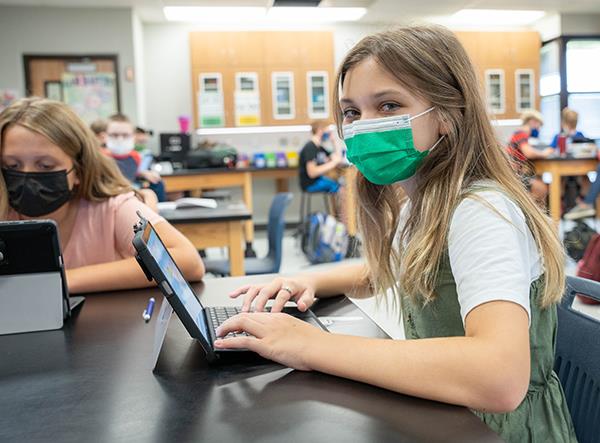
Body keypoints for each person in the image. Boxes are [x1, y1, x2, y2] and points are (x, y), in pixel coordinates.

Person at [214, 26, 576, 442]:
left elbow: (500, 377)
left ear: (446, 114)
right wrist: (308, 279)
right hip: (449, 413)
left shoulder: (479, 212)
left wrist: (310, 346)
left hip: (495, 430)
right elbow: (393, 271)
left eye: (388, 105)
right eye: (351, 112)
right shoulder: (424, 200)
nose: (365, 125)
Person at [0, 98, 204, 293]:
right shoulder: (4, 212)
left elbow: (188, 262)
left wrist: (60, 281)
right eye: (12, 166)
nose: (27, 176)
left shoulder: (112, 208)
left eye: (45, 165)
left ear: (78, 169)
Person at [103, 114, 167, 204]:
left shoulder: (135, 156)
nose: (120, 139)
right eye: (114, 135)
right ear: (105, 136)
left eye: (125, 135)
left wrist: (143, 174)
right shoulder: (100, 158)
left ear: (133, 136)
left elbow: (130, 172)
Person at [506, 110, 555, 206]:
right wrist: (544, 153)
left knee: (541, 183)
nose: (539, 129)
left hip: (517, 174)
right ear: (532, 121)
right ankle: (530, 214)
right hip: (515, 176)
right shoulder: (520, 133)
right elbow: (528, 153)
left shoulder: (521, 135)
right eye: (539, 125)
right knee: (542, 188)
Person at [299, 120, 343, 194]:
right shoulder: (310, 147)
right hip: (310, 184)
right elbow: (312, 173)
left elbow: (338, 158)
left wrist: (334, 141)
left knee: (339, 185)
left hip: (318, 180)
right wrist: (333, 163)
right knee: (341, 189)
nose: (329, 134)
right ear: (320, 131)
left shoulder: (320, 148)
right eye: (328, 132)